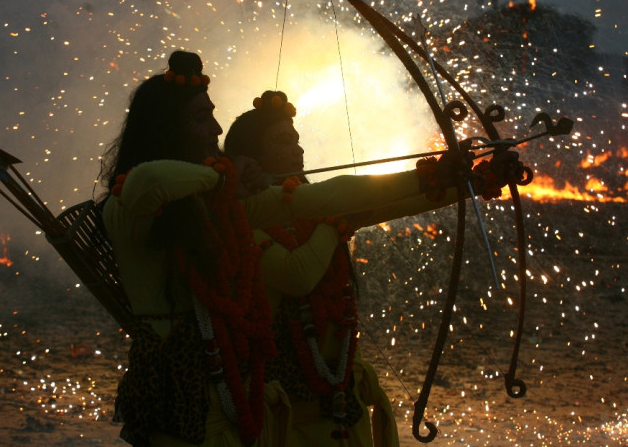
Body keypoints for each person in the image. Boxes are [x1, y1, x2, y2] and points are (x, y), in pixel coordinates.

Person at [99, 52, 513, 446]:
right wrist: (221, 179)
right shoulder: (130, 205)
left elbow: (334, 197)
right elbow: (145, 184)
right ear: (167, 127)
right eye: (201, 117)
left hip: (230, 395)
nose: (215, 129)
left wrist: (447, 178)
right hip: (178, 400)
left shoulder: (221, 203)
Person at [224, 90, 523, 446]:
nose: (298, 151)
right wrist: (336, 223)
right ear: (251, 160)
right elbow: (297, 275)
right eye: (284, 142)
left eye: (297, 140)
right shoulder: (239, 217)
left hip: (340, 400)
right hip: (286, 414)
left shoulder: (316, 210)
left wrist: (474, 180)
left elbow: (396, 201)